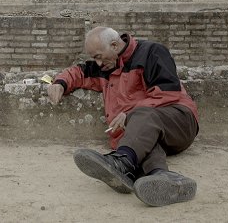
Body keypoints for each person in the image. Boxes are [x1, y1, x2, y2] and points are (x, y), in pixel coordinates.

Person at [47, 26, 199, 207]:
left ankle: (121, 162)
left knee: (141, 117)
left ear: (114, 45)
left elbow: (168, 93)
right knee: (137, 138)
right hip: (146, 131)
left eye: (98, 56)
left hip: (180, 120)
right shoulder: (106, 64)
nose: (97, 64)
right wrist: (60, 83)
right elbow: (80, 72)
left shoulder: (151, 52)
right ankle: (165, 179)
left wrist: (130, 114)